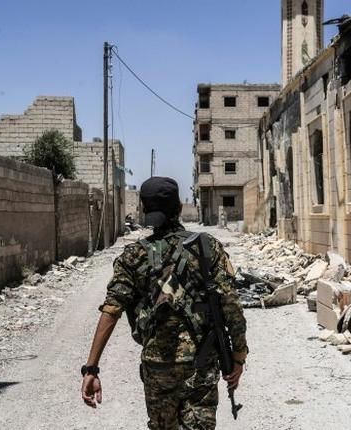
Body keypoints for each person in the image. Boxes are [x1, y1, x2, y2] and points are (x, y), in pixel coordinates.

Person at [81, 176, 248, 430]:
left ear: (145, 211)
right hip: (200, 363)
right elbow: (231, 305)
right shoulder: (207, 247)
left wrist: (91, 368)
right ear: (179, 208)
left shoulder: (132, 256)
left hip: (158, 365)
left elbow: (112, 310)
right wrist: (238, 356)